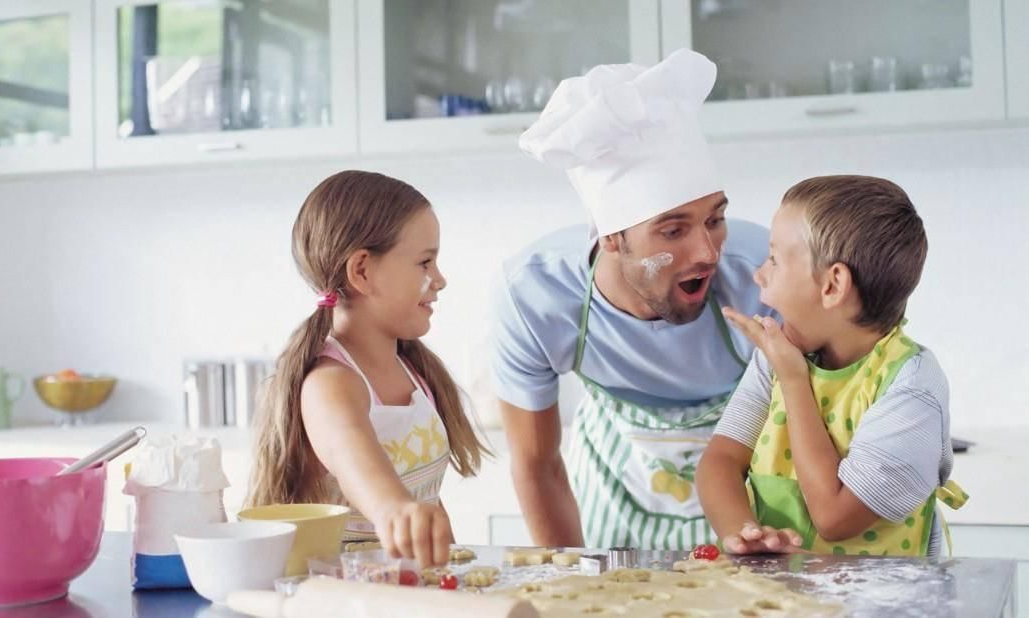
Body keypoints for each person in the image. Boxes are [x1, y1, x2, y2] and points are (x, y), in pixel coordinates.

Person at [492, 49, 772, 550]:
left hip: (746, 511)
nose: (707, 252)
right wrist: (571, 581)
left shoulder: (764, 274)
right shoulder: (536, 295)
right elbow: (536, 464)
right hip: (609, 503)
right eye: (672, 230)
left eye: (715, 219)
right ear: (611, 238)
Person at [698, 175, 967, 557]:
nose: (759, 274)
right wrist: (744, 532)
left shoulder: (912, 386)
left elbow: (834, 517)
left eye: (774, 258)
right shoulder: (776, 356)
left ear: (832, 285)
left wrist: (794, 380)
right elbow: (720, 460)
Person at [246, 170, 488, 567]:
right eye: (425, 262)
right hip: (342, 597)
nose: (440, 280)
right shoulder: (331, 384)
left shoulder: (413, 371)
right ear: (361, 271)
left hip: (403, 590)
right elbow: (353, 458)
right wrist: (393, 510)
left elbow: (423, 503)